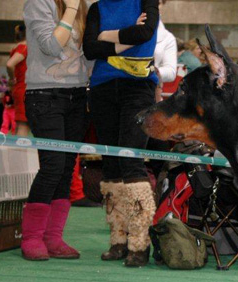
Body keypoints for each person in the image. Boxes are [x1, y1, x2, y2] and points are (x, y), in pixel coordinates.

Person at [83, 0, 159, 267]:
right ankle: (118, 239)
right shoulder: (97, 8)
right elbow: (90, 49)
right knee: (111, 164)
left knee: (130, 158)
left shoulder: (146, 1)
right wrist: (126, 36)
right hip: (102, 88)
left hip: (138, 88)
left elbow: (144, 33)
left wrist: (106, 36)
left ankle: (140, 242)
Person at [21, 0, 90, 261]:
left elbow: (89, 54)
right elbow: (51, 45)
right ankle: (31, 237)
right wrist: (71, 9)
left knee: (66, 167)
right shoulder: (39, 3)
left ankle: (53, 237)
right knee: (52, 165)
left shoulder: (85, 6)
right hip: (44, 95)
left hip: (78, 96)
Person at [5, 24, 30, 136]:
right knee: (23, 126)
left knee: (19, 125)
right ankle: (20, 148)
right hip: (23, 89)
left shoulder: (16, 48)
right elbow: (9, 64)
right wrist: (12, 78)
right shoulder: (24, 48)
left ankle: (14, 147)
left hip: (19, 89)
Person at [153, 0, 177, 102]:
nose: (153, 5)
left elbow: (171, 72)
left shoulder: (168, 38)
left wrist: (155, 71)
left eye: (158, 3)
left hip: (151, 91)